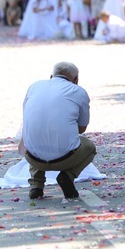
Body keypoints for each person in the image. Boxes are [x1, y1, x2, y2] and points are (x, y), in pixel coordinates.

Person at [21, 62, 96, 200]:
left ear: (51, 76)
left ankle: (36, 185)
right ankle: (67, 176)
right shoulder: (79, 91)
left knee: (37, 134)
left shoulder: (34, 87)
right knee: (90, 147)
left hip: (33, 158)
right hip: (65, 159)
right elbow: (81, 128)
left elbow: (27, 118)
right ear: (76, 80)